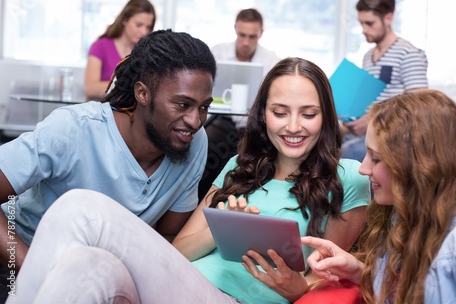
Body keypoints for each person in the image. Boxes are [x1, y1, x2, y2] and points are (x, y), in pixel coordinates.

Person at [7, 57, 371, 303]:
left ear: (326, 117)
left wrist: (297, 287)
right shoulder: (239, 168)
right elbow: (177, 252)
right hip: (179, 285)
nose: (293, 127)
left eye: (308, 114)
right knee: (84, 266)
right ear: (263, 115)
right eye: (279, 112)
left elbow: (330, 274)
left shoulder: (349, 178)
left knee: (81, 208)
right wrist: (224, 225)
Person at [0, 29, 216, 297]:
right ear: (143, 93)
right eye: (182, 104)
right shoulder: (74, 129)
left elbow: (167, 239)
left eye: (204, 107)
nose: (195, 121)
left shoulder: (195, 144)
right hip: (18, 260)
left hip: (100, 276)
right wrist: (31, 265)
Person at [299, 90, 456, 304]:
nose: (363, 169)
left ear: (419, 166)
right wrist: (358, 271)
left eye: (376, 159)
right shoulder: (403, 215)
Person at [201, 8, 281, 201]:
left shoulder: (271, 61)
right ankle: (203, 198)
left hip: (252, 124)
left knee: (252, 155)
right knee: (206, 147)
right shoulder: (217, 53)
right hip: (221, 119)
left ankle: (236, 200)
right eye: (242, 35)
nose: (246, 42)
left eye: (252, 36)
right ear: (235, 29)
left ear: (261, 33)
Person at [341, 0, 428, 162]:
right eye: (361, 23)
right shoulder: (368, 57)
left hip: (392, 139)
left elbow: (419, 109)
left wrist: (372, 121)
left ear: (388, 18)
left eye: (370, 23)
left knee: (344, 154)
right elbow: (366, 103)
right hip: (367, 133)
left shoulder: (409, 54)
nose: (364, 29)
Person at [84, 0, 156, 101]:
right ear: (125, 20)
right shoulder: (100, 46)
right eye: (139, 25)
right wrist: (124, 87)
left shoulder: (146, 53)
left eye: (148, 27)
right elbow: (90, 88)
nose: (144, 32)